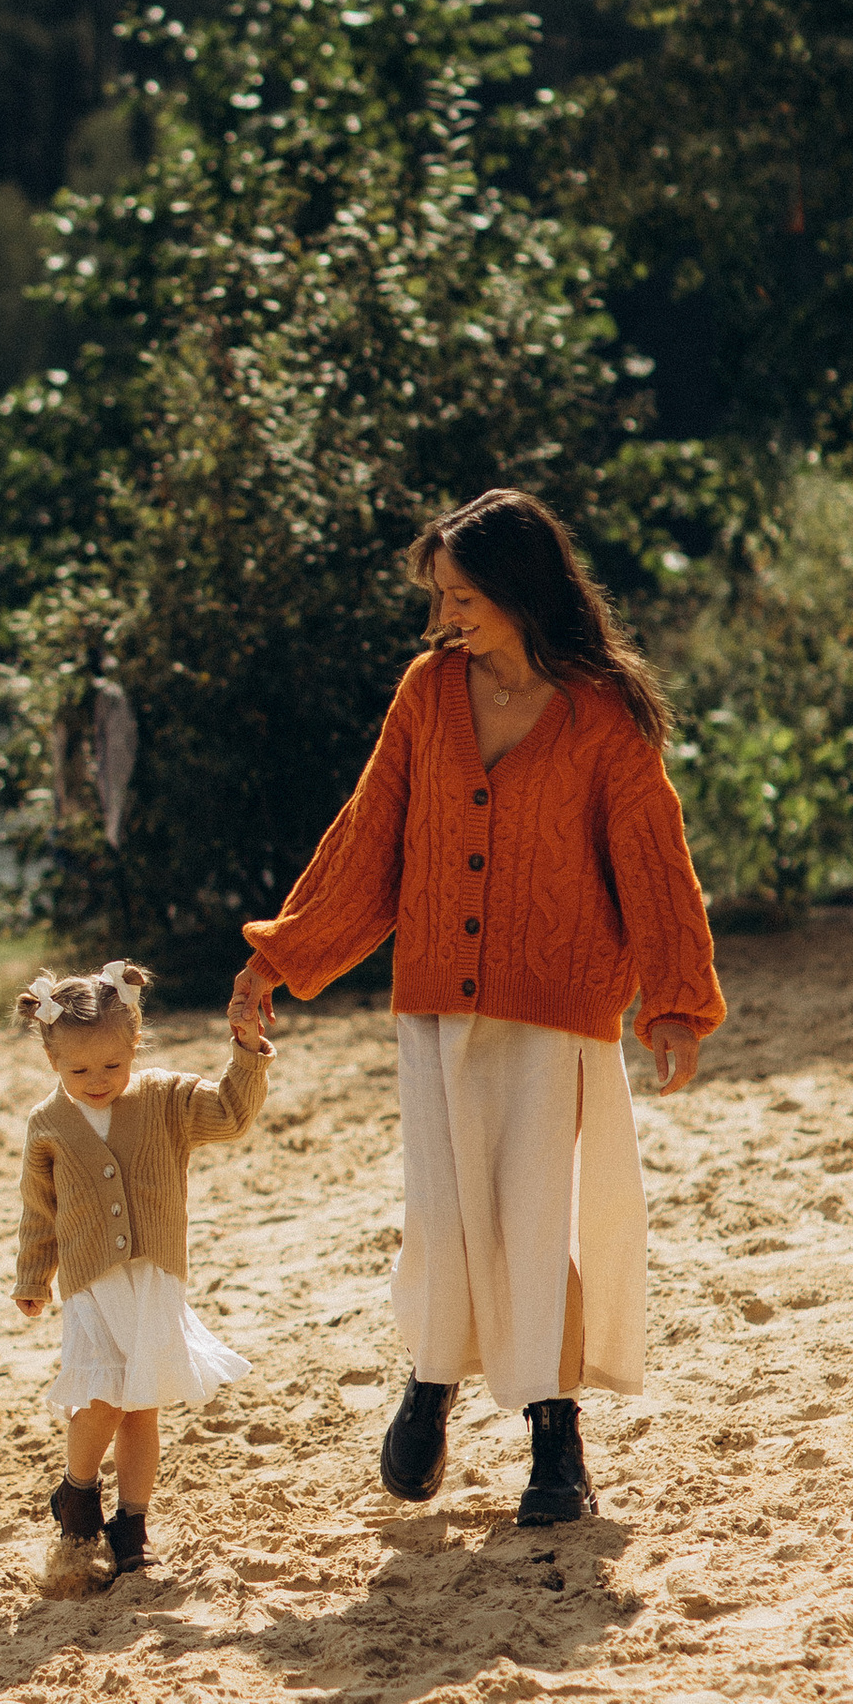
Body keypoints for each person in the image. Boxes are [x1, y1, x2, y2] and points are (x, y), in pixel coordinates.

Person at [229, 487, 722, 1526]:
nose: (445, 615)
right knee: (443, 1217)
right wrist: (279, 956)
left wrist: (674, 1000)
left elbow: (653, 861)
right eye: (441, 596)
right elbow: (370, 838)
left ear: (520, 590)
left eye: (463, 596)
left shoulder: (603, 712)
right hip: (436, 1007)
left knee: (537, 1223)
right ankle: (431, 1381)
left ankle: (555, 1443)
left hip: (557, 1007)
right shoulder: (426, 692)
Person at [13, 959, 269, 1585]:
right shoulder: (47, 1126)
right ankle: (77, 1490)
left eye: (112, 1065)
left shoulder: (163, 1098)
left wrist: (245, 1049)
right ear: (52, 1061)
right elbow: (38, 1212)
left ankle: (132, 1524)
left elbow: (232, 1113)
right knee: (102, 1399)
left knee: (142, 1409)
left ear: (135, 1044)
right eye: (78, 1070)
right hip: (91, 1286)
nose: (97, 1081)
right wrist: (32, 1276)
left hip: (154, 1279)